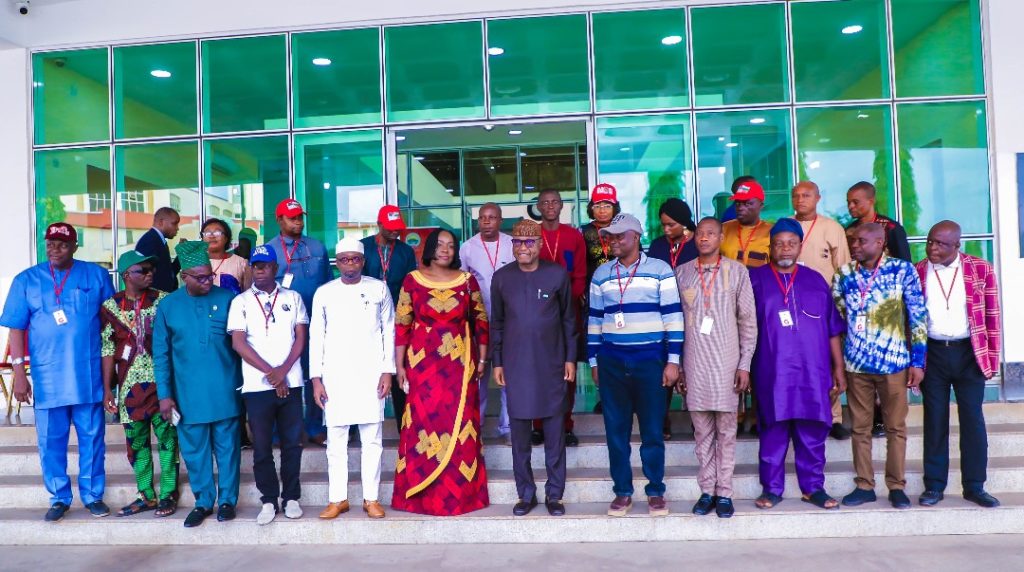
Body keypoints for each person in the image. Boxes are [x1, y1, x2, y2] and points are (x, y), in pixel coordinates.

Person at [0, 222, 114, 522]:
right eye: (50, 244)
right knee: (51, 441)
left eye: (62, 244)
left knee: (93, 439)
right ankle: (59, 497)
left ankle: (93, 496)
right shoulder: (27, 280)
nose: (55, 249)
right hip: (48, 376)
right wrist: (20, 374)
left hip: (87, 374)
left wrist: (111, 374)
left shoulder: (96, 275)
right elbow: (16, 327)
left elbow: (110, 324)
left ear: (75, 246)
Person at [589, 213, 683, 518]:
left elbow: (673, 317)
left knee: (652, 431)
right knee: (616, 432)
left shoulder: (660, 270)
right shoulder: (602, 273)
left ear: (636, 237)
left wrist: (673, 361)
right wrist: (593, 360)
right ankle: (622, 492)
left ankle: (655, 491)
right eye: (611, 237)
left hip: (650, 360)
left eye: (620, 236)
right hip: (612, 361)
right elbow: (594, 320)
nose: (614, 241)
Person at [749, 219, 846, 511]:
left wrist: (839, 368)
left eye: (791, 243)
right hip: (771, 370)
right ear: (770, 247)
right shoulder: (754, 279)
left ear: (801, 246)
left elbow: (832, 329)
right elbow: (743, 328)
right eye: (779, 243)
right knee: (773, 429)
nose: (785, 249)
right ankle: (772, 488)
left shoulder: (815, 280)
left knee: (812, 429)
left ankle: (813, 488)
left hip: (812, 371)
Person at [392, 229, 490, 516]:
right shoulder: (412, 280)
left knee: (461, 424)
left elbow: (481, 321)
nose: (446, 250)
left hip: (459, 364)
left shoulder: (467, 281)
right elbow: (402, 325)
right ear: (430, 248)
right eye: (440, 245)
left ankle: (461, 496)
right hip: (423, 365)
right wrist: (399, 366)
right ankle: (420, 493)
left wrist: (482, 360)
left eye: (451, 245)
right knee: (423, 422)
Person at [833, 223, 927, 510]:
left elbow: (918, 316)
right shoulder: (843, 274)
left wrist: (918, 361)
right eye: (852, 241)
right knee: (860, 428)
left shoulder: (902, 270)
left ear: (879, 242)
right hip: (856, 364)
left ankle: (896, 486)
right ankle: (864, 485)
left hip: (894, 363)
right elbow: (841, 317)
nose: (855, 245)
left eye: (861, 241)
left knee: (895, 427)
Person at [153, 241, 242, 528]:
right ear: (184, 277)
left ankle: (227, 501)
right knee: (194, 453)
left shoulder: (228, 299)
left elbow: (242, 346)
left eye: (209, 276)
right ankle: (203, 502)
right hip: (187, 395)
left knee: (228, 450)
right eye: (200, 277)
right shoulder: (168, 306)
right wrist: (165, 395)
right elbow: (161, 355)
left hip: (225, 390)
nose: (207, 281)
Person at [491, 219, 577, 517]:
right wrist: (498, 361)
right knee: (520, 439)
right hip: (516, 366)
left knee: (554, 435)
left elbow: (568, 319)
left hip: (551, 365)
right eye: (517, 242)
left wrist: (570, 358)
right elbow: (497, 323)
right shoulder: (502, 278)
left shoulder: (557, 274)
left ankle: (555, 495)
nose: (523, 247)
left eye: (529, 242)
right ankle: (525, 494)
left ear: (540, 244)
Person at [916, 221, 1001, 508]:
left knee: (972, 419)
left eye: (940, 243)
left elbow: (992, 316)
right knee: (934, 419)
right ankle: (934, 486)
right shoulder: (917, 271)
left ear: (956, 245)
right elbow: (910, 320)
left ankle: (975, 486)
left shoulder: (980, 269)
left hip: (969, 353)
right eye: (930, 241)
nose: (933, 248)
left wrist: (991, 358)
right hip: (933, 354)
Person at [675, 217, 756, 519]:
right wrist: (679, 366)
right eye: (699, 233)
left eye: (710, 233)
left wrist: (745, 364)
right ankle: (707, 490)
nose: (704, 238)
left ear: (721, 238)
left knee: (727, 432)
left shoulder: (737, 272)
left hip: (726, 365)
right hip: (695, 364)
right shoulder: (682, 273)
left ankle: (725, 493)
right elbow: (675, 324)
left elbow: (748, 321)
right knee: (702, 433)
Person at [311, 238, 395, 520]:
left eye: (355, 259)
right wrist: (316, 379)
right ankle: (338, 499)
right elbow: (316, 337)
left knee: (372, 440)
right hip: (335, 376)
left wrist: (387, 370)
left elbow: (389, 331)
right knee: (336, 441)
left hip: (371, 374)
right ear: (337, 262)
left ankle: (371, 499)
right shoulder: (324, 293)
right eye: (344, 260)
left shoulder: (378, 288)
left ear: (363, 261)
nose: (350, 265)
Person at [227, 244, 308, 525]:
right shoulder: (241, 301)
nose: (259, 270)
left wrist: (282, 372)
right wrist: (271, 373)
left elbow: (301, 338)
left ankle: (292, 498)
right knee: (261, 446)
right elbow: (238, 343)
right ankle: (269, 500)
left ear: (275, 268)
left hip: (291, 382)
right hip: (257, 386)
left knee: (292, 444)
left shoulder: (293, 297)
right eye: (255, 266)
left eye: (264, 265)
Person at [100, 251, 178, 518]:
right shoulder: (110, 306)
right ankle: (146, 495)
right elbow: (107, 348)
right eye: (142, 270)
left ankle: (168, 493)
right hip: (129, 388)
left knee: (168, 440)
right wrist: (107, 389)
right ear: (126, 275)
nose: (149, 274)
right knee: (136, 444)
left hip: (162, 385)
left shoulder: (163, 300)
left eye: (151, 270)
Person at [267, 198, 331, 446]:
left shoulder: (317, 247)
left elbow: (328, 284)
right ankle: (281, 431)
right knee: (283, 376)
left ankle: (314, 427)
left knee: (315, 373)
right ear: (279, 220)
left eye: (300, 217)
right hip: (282, 326)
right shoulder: (269, 250)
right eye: (292, 218)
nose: (298, 222)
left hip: (315, 323)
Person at [792, 181, 853, 440]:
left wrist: (842, 307)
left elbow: (844, 269)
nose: (800, 200)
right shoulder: (785, 226)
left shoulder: (832, 227)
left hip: (823, 305)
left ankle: (834, 417)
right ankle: (799, 415)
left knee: (827, 361)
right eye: (796, 196)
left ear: (818, 198)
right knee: (797, 363)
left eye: (806, 195)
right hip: (790, 304)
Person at [535, 189, 587, 447]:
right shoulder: (532, 234)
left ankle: (566, 426)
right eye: (545, 202)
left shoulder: (573, 236)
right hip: (536, 314)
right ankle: (538, 426)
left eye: (554, 202)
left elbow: (580, 275)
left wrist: (565, 304)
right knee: (537, 371)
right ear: (538, 207)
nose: (550, 206)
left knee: (567, 372)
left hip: (567, 314)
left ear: (561, 206)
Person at [362, 205, 418, 434]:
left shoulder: (405, 251)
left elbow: (411, 286)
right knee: (365, 372)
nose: (395, 232)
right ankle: (360, 427)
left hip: (398, 320)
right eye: (390, 228)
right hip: (367, 319)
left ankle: (404, 430)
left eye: (398, 228)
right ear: (379, 224)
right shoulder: (363, 247)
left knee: (398, 372)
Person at [461, 203, 515, 441]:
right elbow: (462, 284)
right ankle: (477, 426)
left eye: (492, 217)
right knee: (478, 376)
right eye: (482, 217)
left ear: (500, 220)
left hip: (509, 322)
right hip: (477, 323)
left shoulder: (512, 244)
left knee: (508, 376)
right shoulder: (467, 248)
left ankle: (508, 427)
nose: (486, 221)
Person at [646, 197, 699, 440]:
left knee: (694, 367)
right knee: (664, 366)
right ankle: (662, 420)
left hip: (694, 313)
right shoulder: (658, 245)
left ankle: (699, 421)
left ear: (685, 222)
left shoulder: (698, 243)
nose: (666, 230)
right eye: (663, 225)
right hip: (663, 314)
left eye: (671, 225)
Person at [579, 185, 619, 418]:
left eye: (607, 205)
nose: (602, 210)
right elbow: (579, 264)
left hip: (621, 295)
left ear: (615, 207)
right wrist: (580, 288)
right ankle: (604, 396)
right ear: (591, 208)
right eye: (598, 205)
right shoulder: (583, 232)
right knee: (598, 345)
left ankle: (623, 395)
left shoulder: (623, 228)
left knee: (620, 343)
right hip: (594, 297)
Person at [846, 181, 911, 262]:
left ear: (871, 201)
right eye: (848, 202)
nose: (850, 206)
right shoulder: (849, 231)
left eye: (855, 202)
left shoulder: (891, 228)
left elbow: (905, 263)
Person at [721, 178, 771, 268]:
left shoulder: (772, 231)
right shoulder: (723, 229)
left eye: (747, 203)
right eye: (738, 203)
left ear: (761, 206)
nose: (740, 208)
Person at [135, 207, 181, 292]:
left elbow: (168, 273)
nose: (177, 228)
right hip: (155, 297)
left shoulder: (158, 240)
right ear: (161, 222)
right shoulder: (150, 241)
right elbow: (144, 277)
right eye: (174, 223)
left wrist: (181, 254)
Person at [202, 218, 251, 295]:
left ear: (226, 238)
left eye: (217, 232)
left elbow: (248, 295)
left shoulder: (241, 263)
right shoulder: (195, 262)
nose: (211, 236)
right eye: (207, 233)